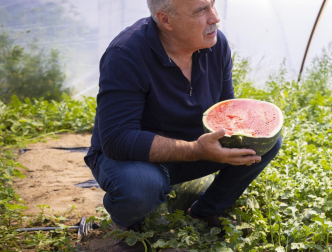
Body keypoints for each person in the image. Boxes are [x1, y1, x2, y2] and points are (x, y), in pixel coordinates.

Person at [83, 0, 282, 251]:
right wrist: (195, 150)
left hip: (193, 149)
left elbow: (228, 109)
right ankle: (126, 224)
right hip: (133, 158)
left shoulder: (216, 44)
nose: (215, 18)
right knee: (140, 187)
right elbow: (118, 139)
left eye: (212, 4)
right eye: (201, 11)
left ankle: (206, 210)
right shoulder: (126, 54)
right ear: (166, 20)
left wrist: (240, 134)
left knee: (265, 140)